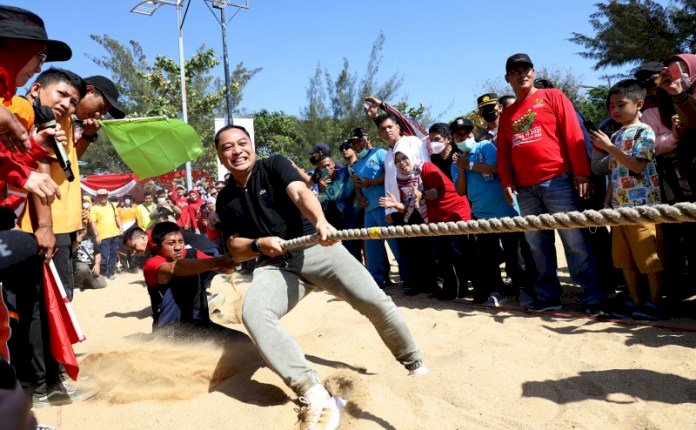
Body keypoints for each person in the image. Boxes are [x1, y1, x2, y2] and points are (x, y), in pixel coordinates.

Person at [214, 124, 426, 430]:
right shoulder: (225, 199)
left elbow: (300, 192)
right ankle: (312, 391)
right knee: (254, 314)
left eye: (242, 143)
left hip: (315, 247)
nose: (237, 151)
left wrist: (321, 222)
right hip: (275, 264)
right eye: (228, 147)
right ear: (220, 156)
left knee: (374, 301)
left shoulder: (273, 165)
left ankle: (414, 364)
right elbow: (235, 246)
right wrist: (258, 245)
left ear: (252, 145)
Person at [497, 53, 606, 314]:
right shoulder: (508, 114)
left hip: (559, 180)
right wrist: (507, 182)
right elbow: (503, 151)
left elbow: (574, 134)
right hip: (525, 189)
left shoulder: (553, 96)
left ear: (533, 72)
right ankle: (549, 297)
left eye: (527, 69)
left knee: (575, 240)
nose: (522, 74)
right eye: (515, 71)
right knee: (537, 245)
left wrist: (581, 173)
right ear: (508, 78)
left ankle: (593, 299)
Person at [588, 79, 666, 320]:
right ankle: (635, 301)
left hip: (643, 207)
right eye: (612, 106)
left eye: (621, 105)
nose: (615, 110)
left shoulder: (645, 131)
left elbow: (637, 167)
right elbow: (615, 172)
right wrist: (606, 203)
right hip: (619, 208)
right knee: (624, 259)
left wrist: (610, 147)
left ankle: (655, 304)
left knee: (649, 259)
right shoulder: (618, 134)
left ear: (639, 104)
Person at [450, 117, 536, 306]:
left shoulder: (485, 147)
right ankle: (497, 291)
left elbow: (496, 168)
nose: (465, 137)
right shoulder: (456, 162)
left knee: (516, 255)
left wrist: (470, 165)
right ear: (453, 138)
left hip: (506, 211)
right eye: (459, 135)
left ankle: (523, 289)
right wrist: (462, 169)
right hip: (482, 216)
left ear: (473, 133)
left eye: (468, 133)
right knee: (489, 258)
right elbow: (460, 190)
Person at [380, 145, 473, 300]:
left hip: (453, 212)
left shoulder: (427, 168)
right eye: (397, 161)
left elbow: (440, 190)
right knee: (443, 254)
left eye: (404, 158)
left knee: (457, 252)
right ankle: (450, 290)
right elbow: (410, 204)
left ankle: (462, 290)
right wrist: (396, 206)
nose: (402, 163)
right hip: (434, 218)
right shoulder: (402, 179)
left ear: (412, 156)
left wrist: (422, 194)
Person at [142, 222, 238, 333]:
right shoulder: (152, 264)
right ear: (156, 246)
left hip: (199, 325)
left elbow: (226, 270)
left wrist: (232, 261)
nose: (178, 247)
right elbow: (175, 268)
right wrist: (218, 261)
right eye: (171, 243)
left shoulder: (193, 253)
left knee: (243, 341)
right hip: (169, 331)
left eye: (181, 242)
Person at [349, 127, 400, 287]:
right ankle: (377, 282)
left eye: (359, 141)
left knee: (395, 244)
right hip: (368, 211)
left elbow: (392, 174)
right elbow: (357, 185)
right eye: (354, 143)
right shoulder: (356, 165)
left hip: (385, 206)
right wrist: (359, 196)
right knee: (372, 249)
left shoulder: (381, 153)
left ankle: (410, 279)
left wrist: (373, 182)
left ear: (368, 138)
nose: (356, 145)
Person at [89, 188, 122, 280]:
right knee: (104, 256)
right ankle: (104, 274)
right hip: (102, 236)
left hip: (114, 234)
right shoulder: (94, 208)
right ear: (97, 197)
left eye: (105, 196)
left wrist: (121, 228)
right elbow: (92, 223)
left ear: (107, 196)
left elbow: (117, 217)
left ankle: (111, 273)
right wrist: (96, 236)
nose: (103, 197)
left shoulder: (111, 205)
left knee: (113, 255)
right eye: (101, 196)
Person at [72, 226, 107, 291]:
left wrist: (97, 264)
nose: (82, 231)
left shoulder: (90, 239)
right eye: (79, 229)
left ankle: (82, 283)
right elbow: (70, 253)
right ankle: (74, 286)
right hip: (78, 267)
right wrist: (76, 242)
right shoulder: (72, 239)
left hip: (90, 269)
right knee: (84, 268)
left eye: (83, 229)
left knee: (102, 283)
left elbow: (98, 253)